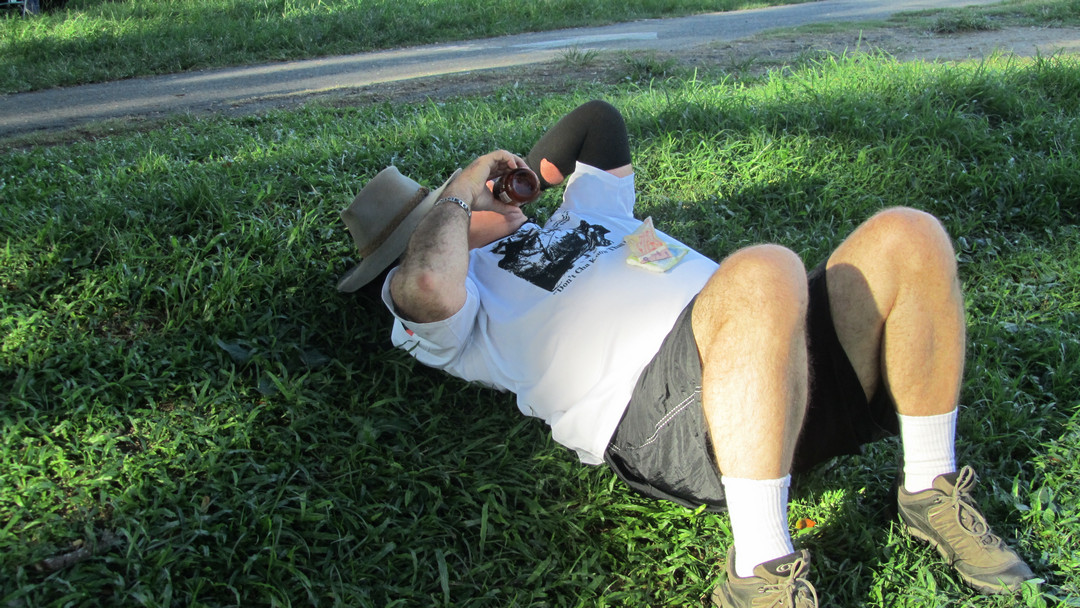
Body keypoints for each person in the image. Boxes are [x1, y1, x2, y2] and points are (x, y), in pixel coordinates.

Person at [337, 100, 1034, 607]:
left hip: (781, 364)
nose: (491, 198)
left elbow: (597, 121)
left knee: (909, 235)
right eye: (454, 206)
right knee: (765, 270)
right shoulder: (449, 307)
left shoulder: (584, 214)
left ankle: (931, 489)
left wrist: (525, 178)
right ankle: (758, 570)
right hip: (672, 417)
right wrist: (459, 192)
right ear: (435, 232)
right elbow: (426, 285)